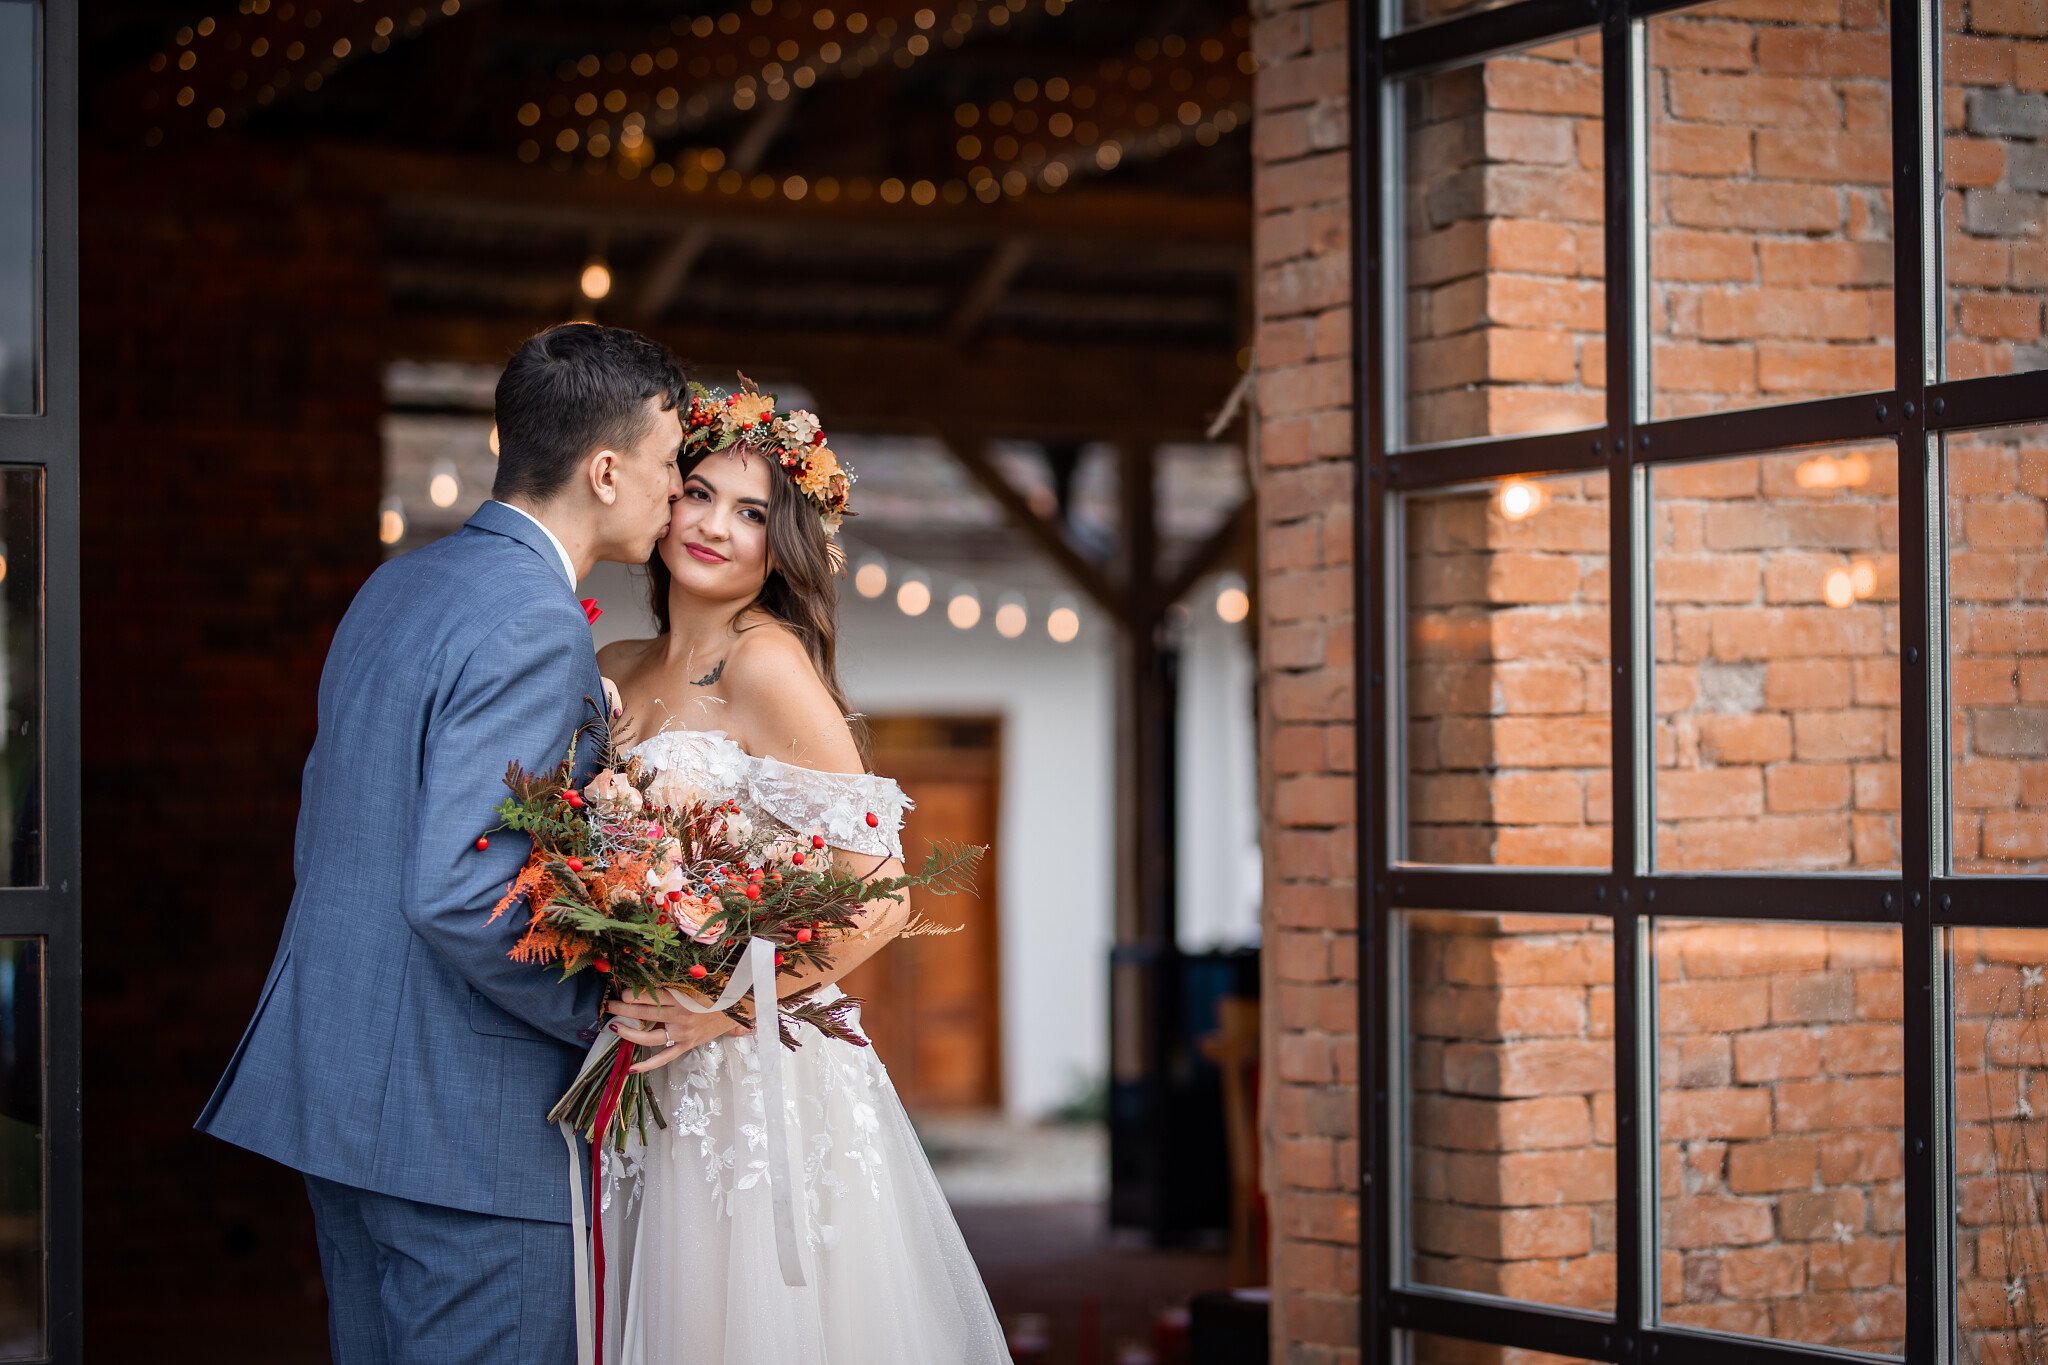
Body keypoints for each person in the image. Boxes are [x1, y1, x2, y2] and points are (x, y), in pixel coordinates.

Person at [196, 324, 687, 1364]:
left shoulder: (399, 584)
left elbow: (329, 823)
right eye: (666, 463)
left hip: (343, 1092)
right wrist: (612, 1017)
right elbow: (460, 893)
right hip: (463, 1128)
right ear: (605, 470)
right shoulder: (532, 620)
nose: (674, 490)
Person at [594, 384, 1009, 1363]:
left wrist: (727, 1011)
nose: (713, 528)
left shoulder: (767, 664)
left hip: (750, 1075)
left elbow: (882, 891)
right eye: (697, 493)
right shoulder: (613, 661)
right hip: (637, 1054)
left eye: (750, 514)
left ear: (779, 547)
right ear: (661, 501)